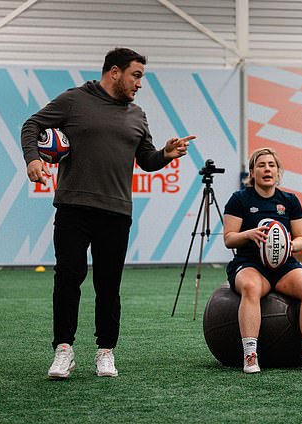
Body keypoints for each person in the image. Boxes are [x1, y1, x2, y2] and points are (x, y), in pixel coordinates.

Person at [21, 47, 195, 380]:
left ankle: (105, 352)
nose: (140, 83)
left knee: (108, 285)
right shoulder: (74, 100)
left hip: (116, 211)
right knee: (68, 277)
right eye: (137, 75)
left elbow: (146, 159)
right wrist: (33, 159)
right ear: (114, 72)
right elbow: (32, 125)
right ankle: (63, 350)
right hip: (73, 207)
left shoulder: (137, 115)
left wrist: (167, 154)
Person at [223, 147, 302, 374]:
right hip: (250, 263)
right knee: (250, 287)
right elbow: (229, 239)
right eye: (261, 165)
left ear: (278, 171)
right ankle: (250, 354)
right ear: (252, 171)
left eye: (271, 165)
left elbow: (301, 239)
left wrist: (290, 245)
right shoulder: (239, 199)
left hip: (283, 264)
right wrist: (249, 234)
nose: (267, 169)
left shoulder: (289, 200)